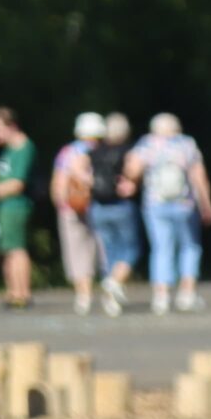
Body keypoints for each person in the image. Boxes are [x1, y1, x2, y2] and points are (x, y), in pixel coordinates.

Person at [131, 112, 211, 314]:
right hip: (185, 204)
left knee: (161, 247)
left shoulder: (147, 144)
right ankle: (187, 293)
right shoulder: (186, 144)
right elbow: (198, 176)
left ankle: (161, 296)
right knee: (190, 247)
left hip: (155, 204)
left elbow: (132, 171)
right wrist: (206, 203)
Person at [0, 107, 35, 309]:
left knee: (16, 249)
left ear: (12, 126)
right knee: (6, 250)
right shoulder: (8, 150)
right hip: (3, 207)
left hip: (15, 206)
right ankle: (12, 292)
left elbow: (18, 183)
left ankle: (23, 293)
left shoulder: (23, 148)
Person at [51, 114, 105, 316]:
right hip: (96, 206)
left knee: (75, 251)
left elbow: (58, 183)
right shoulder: (101, 151)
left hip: (70, 206)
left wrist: (61, 203)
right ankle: (98, 290)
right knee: (95, 250)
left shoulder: (67, 152)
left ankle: (83, 295)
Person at [88, 111, 140, 314]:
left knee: (110, 252)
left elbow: (80, 170)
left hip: (98, 206)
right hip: (120, 205)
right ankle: (114, 282)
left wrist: (91, 185)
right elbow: (134, 172)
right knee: (131, 249)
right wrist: (130, 183)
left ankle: (111, 300)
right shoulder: (128, 150)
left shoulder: (94, 151)